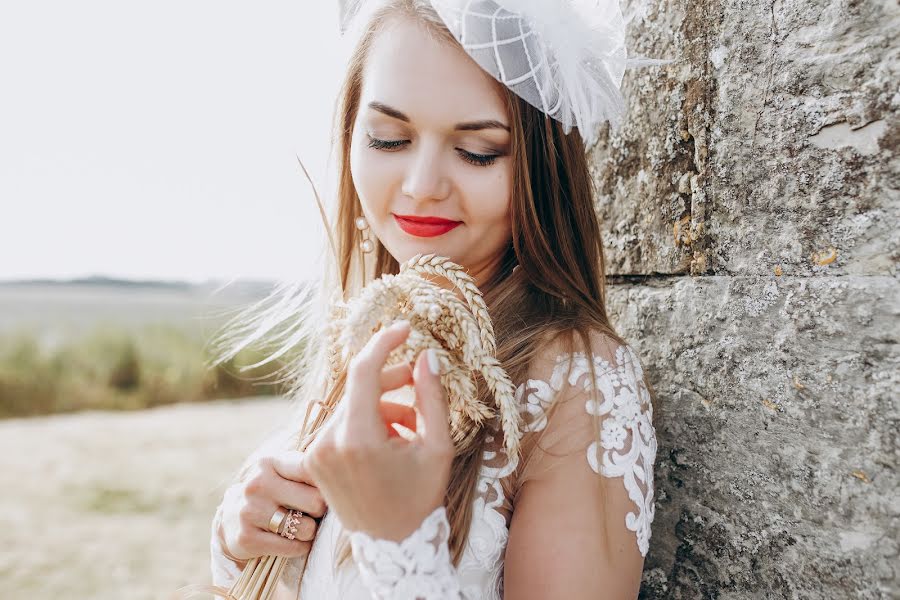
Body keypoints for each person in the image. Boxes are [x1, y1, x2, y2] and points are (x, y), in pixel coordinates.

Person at [208, 0, 662, 597]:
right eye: (389, 139)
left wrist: (401, 547)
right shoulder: (366, 335)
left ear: (540, 170)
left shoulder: (579, 384)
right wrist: (243, 543)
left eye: (477, 151)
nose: (422, 187)